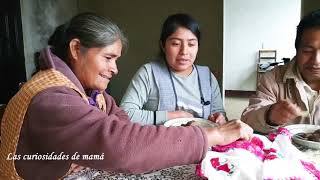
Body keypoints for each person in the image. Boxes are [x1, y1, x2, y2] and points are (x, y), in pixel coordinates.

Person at [0, 13, 253, 180]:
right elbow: (120, 143)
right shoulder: (52, 97)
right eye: (108, 58)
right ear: (76, 49)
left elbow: (122, 124)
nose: (115, 69)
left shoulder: (93, 93)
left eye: (192, 43)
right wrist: (211, 135)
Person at [120, 13, 226, 125]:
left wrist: (219, 118)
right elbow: (124, 114)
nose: (184, 51)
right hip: (161, 142)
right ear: (163, 45)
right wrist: (170, 116)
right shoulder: (149, 73)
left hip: (203, 141)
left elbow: (220, 114)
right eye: (176, 44)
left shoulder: (207, 77)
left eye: (191, 44)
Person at [242, 9, 320, 134]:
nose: (316, 60)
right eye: (307, 50)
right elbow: (247, 120)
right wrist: (269, 115)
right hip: (282, 151)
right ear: (297, 49)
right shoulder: (273, 78)